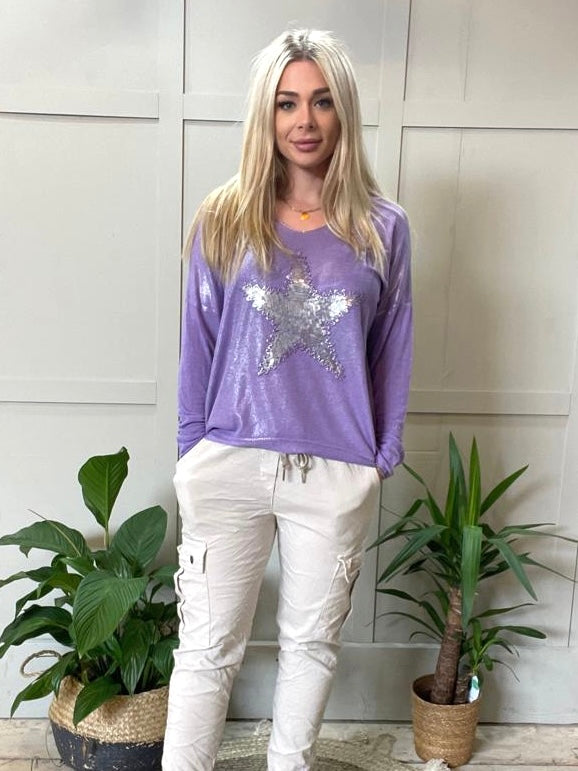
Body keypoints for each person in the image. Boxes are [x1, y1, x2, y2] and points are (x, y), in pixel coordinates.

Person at [162, 28, 412, 771]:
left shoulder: (383, 228)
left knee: (311, 648)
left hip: (334, 473)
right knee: (206, 652)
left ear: (343, 113)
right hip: (230, 461)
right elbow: (198, 342)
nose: (305, 120)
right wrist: (193, 454)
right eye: (287, 103)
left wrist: (380, 454)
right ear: (266, 115)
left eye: (322, 102)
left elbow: (392, 345)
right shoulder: (223, 217)